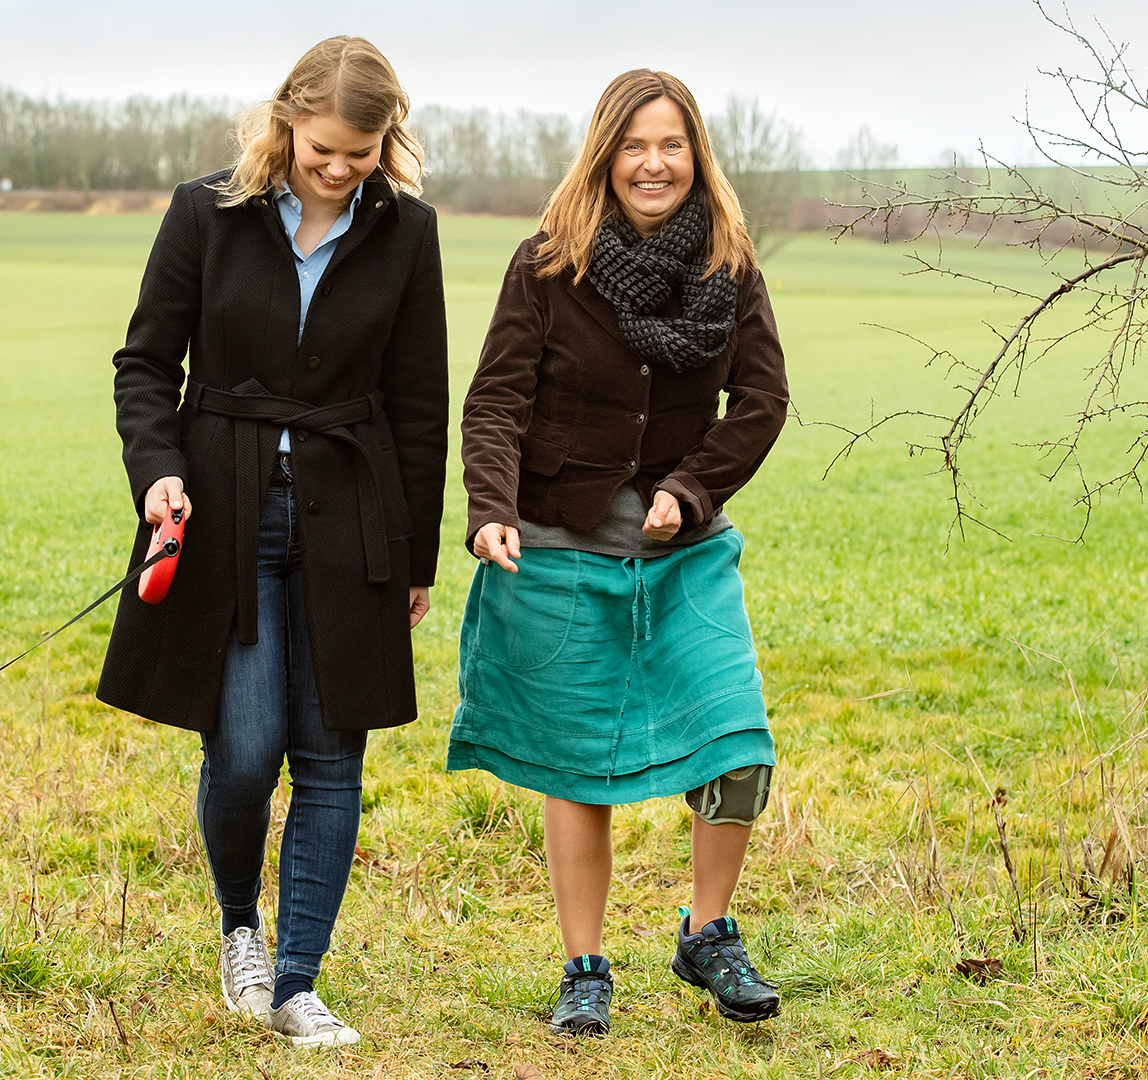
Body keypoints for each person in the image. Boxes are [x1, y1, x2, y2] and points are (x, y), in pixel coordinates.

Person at [96, 36, 447, 1049]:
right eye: (323, 148)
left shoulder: (407, 234)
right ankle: (240, 923)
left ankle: (297, 983)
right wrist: (157, 470)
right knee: (245, 751)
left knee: (333, 758)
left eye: (361, 152)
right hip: (224, 508)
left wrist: (415, 556)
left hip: (356, 512)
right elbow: (144, 363)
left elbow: (421, 403)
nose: (339, 169)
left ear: (389, 140)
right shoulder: (206, 214)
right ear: (287, 118)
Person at [451, 68, 788, 1033]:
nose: (653, 163)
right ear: (606, 155)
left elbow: (761, 401)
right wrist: (490, 508)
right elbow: (498, 401)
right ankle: (585, 965)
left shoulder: (730, 264)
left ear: (696, 156)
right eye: (635, 145)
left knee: (736, 743)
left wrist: (689, 490)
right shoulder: (548, 264)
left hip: (686, 554)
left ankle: (708, 934)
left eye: (671, 144)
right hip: (559, 547)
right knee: (576, 763)